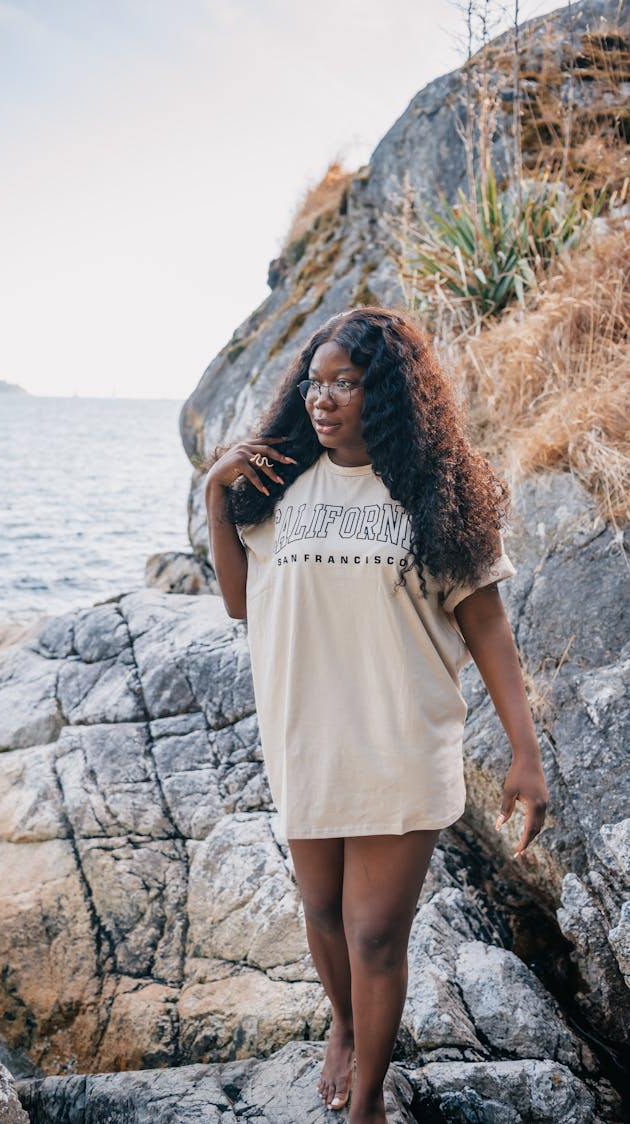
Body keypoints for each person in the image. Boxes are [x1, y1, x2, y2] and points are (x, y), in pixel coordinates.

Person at [203, 306, 549, 1124]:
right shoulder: (279, 486)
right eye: (314, 383)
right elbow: (237, 601)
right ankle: (346, 1024)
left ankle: (366, 1106)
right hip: (306, 738)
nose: (322, 401)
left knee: (373, 937)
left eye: (345, 384)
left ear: (383, 393)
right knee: (321, 913)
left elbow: (488, 626)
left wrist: (525, 755)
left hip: (400, 742)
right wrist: (215, 490)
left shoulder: (436, 492)